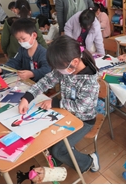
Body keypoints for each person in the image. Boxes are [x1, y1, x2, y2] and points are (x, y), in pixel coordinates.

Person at [18, 36, 100, 173]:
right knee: (47, 138)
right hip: (65, 114)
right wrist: (27, 98)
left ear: (75, 62)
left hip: (84, 120)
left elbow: (81, 107)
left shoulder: (90, 82)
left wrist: (55, 102)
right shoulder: (67, 66)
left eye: (59, 68)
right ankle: (64, 155)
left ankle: (89, 161)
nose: (58, 70)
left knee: (58, 149)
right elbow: (46, 81)